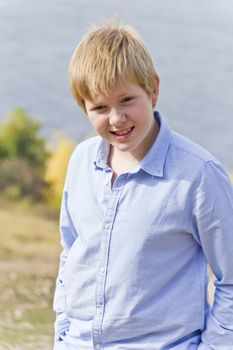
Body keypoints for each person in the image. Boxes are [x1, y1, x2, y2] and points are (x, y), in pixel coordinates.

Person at [53, 21, 233, 350]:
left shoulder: (200, 176)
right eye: (100, 108)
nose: (117, 119)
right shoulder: (79, 162)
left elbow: (231, 280)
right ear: (84, 108)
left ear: (153, 89)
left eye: (126, 100)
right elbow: (71, 253)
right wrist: (62, 332)